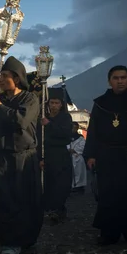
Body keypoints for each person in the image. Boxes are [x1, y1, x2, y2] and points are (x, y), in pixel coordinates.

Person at [0, 56, 42, 254]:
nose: (2, 79)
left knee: (26, 201)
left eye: (5, 76)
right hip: (2, 158)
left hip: (24, 157)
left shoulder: (30, 99)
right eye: (1, 76)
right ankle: (9, 244)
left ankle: (27, 242)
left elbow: (21, 121)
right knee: (3, 201)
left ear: (17, 78)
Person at [83, 65, 127, 245]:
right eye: (116, 78)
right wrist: (91, 155)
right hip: (106, 154)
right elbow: (93, 131)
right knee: (108, 194)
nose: (120, 81)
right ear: (110, 81)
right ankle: (109, 232)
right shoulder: (101, 103)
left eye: (123, 78)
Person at [39, 88, 73, 224]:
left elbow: (65, 135)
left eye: (56, 103)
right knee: (49, 185)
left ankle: (58, 210)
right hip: (47, 155)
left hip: (60, 155)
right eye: (51, 103)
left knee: (60, 185)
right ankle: (52, 209)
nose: (53, 106)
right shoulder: (43, 118)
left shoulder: (65, 118)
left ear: (61, 104)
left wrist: (50, 125)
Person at [69, 122, 87, 194]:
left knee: (79, 172)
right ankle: (72, 185)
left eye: (75, 128)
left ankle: (79, 186)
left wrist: (75, 150)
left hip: (77, 157)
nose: (73, 129)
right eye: (72, 127)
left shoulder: (80, 138)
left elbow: (83, 147)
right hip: (70, 157)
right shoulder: (67, 137)